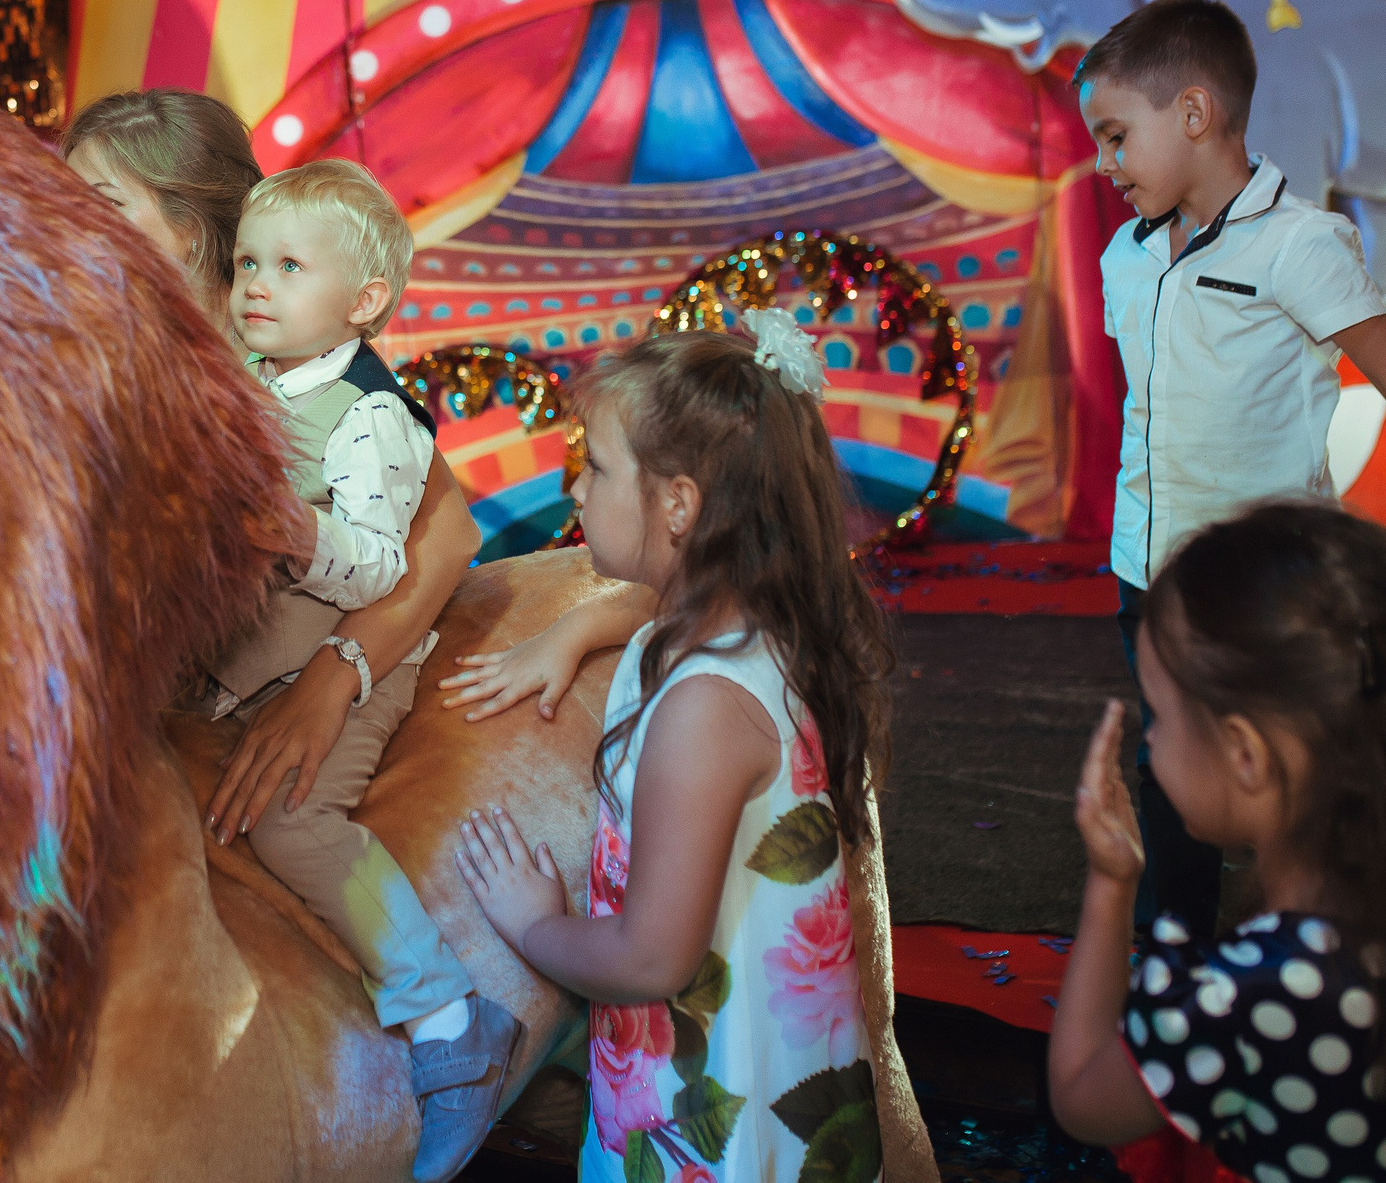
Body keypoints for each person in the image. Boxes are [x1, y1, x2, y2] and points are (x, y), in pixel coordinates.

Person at [61, 93, 509, 1181]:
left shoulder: (297, 356)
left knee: (285, 821)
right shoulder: (107, 338)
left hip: (316, 654)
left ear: (195, 222)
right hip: (199, 671)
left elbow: (443, 530)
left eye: (100, 198)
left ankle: (440, 1021)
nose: (67, 216)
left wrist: (336, 675)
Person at [1075, 0, 1386, 935]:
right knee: (1173, 766)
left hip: (1265, 586)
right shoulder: (1124, 257)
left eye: (1116, 136)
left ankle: (1340, 947)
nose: (1105, 163)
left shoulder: (1300, 244)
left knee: (1294, 770)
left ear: (1196, 114)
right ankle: (1178, 960)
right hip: (1149, 571)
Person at [449, 321, 898, 1183]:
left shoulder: (703, 708)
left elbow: (654, 957)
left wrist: (536, 922)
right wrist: (579, 626)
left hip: (715, 1134)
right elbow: (652, 609)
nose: (574, 489)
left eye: (598, 468)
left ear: (681, 505)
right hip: (779, 1101)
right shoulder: (763, 627)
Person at [1047, 501, 1386, 1183]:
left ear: (1246, 755)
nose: (1154, 739)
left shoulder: (1250, 994)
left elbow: (1082, 1099)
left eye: (1159, 716)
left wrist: (1111, 885)